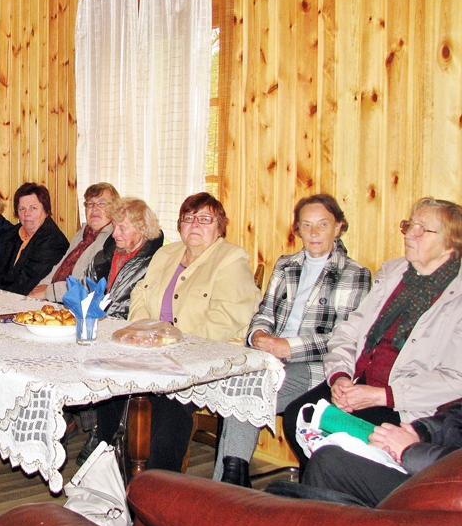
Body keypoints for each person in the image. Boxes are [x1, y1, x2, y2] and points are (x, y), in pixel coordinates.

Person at [282, 197, 462, 472]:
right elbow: (349, 330)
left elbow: (454, 381)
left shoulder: (456, 295)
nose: (409, 235)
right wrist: (340, 376)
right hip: (358, 381)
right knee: (297, 415)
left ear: (450, 242)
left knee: (344, 448)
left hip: (405, 403)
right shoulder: (395, 273)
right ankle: (321, 496)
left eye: (421, 229)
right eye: (409, 226)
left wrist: (383, 396)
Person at [213, 194, 371, 486]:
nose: (313, 233)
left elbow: (344, 337)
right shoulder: (287, 265)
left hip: (317, 368)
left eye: (322, 225)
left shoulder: (354, 274)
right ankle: (231, 481)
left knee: (249, 390)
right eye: (306, 225)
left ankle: (229, 482)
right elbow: (265, 313)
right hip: (270, 359)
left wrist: (289, 347)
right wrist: (258, 334)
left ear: (338, 227)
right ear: (297, 229)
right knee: (233, 383)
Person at [99, 193, 261, 472]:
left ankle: (160, 484)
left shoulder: (230, 258)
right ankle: (112, 474)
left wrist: (172, 344)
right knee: (108, 387)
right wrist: (142, 331)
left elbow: (226, 318)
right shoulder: (167, 253)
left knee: (166, 407)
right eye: (188, 218)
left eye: (205, 219)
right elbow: (140, 292)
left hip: (202, 357)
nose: (195, 224)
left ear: (219, 226)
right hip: (153, 350)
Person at [75, 197, 164, 463]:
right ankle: (97, 431)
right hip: (100, 327)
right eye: (115, 226)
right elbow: (85, 288)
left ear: (142, 229)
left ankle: (105, 435)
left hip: (131, 333)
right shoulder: (107, 253)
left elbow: (140, 308)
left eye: (123, 228)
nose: (115, 233)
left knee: (100, 360)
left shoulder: (154, 261)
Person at [302, 401, 462, 507]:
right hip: (435, 464)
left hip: (449, 489)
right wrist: (420, 431)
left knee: (329, 464)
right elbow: (456, 418)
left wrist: (409, 449)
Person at [29, 183, 119, 302]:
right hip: (58, 296)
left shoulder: (114, 240)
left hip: (81, 303)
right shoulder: (83, 233)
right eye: (90, 203)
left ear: (115, 208)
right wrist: (40, 287)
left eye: (102, 203)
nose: (95, 209)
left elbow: (88, 284)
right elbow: (60, 265)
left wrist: (48, 292)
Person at [0, 182, 69, 296]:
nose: (27, 214)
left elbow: (26, 284)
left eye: (33, 208)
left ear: (45, 211)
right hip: (2, 297)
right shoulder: (11, 234)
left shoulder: (53, 242)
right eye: (22, 209)